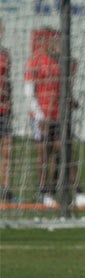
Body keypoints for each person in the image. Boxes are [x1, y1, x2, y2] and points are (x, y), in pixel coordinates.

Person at [24, 28, 85, 208]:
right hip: (41, 116)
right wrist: (40, 116)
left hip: (61, 116)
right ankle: (44, 192)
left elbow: (66, 88)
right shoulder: (35, 61)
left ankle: (77, 192)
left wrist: (71, 101)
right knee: (44, 153)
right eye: (56, 43)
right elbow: (28, 92)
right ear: (47, 44)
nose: (60, 46)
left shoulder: (68, 63)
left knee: (65, 152)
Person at [0, 19, 14, 202]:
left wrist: (10, 103)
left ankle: (5, 190)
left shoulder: (5, 55)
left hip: (4, 110)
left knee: (8, 151)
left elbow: (7, 82)